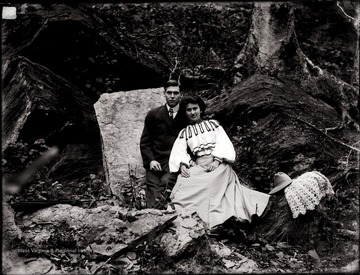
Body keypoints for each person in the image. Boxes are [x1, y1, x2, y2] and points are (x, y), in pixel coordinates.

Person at [168, 95, 271, 228]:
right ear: (185, 112)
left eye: (195, 108)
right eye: (189, 110)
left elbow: (223, 143)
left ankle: (214, 218)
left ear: (201, 109)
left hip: (219, 163)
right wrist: (182, 165)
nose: (193, 112)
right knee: (184, 180)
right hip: (200, 164)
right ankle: (187, 214)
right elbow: (179, 151)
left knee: (211, 181)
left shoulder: (213, 125)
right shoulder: (185, 132)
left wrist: (216, 161)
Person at [140, 79, 188, 209]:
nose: (172, 96)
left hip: (174, 164)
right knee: (153, 189)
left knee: (165, 185)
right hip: (156, 163)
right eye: (169, 93)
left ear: (181, 94)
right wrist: (150, 161)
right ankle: (152, 214)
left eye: (176, 93)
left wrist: (184, 162)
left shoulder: (186, 115)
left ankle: (156, 214)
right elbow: (145, 142)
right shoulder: (153, 114)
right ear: (164, 94)